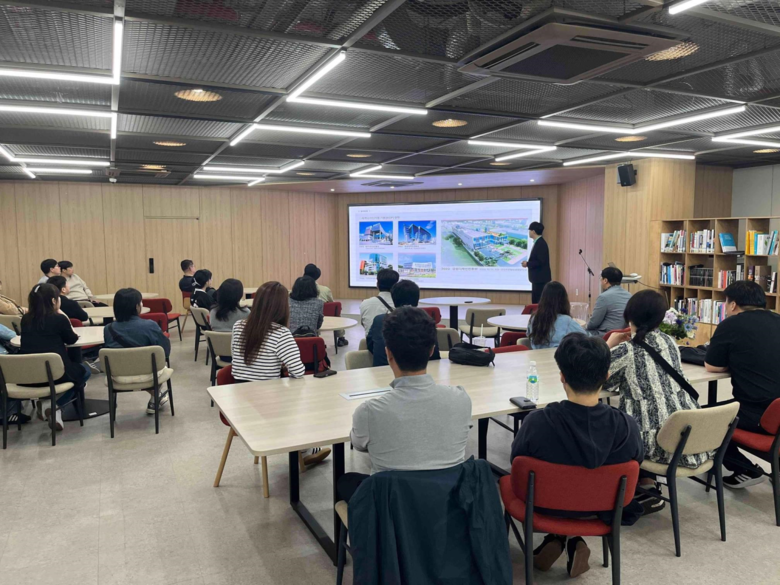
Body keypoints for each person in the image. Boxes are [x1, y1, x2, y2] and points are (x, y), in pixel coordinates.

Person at [511, 333, 643, 578]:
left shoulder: (537, 423)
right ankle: (571, 539)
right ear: (606, 376)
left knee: (508, 481)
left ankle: (558, 538)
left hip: (544, 506)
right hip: (602, 508)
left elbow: (516, 463)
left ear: (562, 376)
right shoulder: (627, 426)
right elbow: (637, 462)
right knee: (583, 485)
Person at [337, 306, 472, 504]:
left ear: (388, 353)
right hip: (447, 505)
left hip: (392, 509)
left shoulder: (369, 411)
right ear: (432, 350)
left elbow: (358, 444)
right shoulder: (461, 399)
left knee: (346, 481)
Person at [604, 290, 707, 496]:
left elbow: (593, 376)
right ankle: (646, 481)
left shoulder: (627, 350)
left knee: (610, 425)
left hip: (658, 445)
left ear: (629, 316)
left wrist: (608, 345)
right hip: (688, 436)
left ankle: (622, 489)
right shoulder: (670, 342)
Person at [705, 280, 780, 488]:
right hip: (776, 411)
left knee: (704, 417)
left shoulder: (731, 324)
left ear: (733, 304)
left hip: (759, 415)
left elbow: (713, 366)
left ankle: (745, 469)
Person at [19, 284, 91, 431]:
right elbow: (72, 339)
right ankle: (55, 405)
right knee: (84, 371)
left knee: (73, 372)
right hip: (56, 374)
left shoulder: (25, 319)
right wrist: (60, 312)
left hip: (29, 376)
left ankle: (52, 408)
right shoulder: (58, 319)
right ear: (53, 300)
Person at [104, 288, 172, 415]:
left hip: (118, 378)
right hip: (148, 376)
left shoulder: (108, 329)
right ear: (136, 306)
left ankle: (156, 397)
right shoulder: (150, 325)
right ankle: (156, 396)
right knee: (160, 365)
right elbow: (165, 352)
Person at [231, 281, 305, 382]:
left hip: (238, 388)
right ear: (283, 307)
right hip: (267, 390)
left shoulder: (238, 325)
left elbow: (236, 357)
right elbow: (298, 371)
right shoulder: (281, 333)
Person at [367, 280, 441, 367]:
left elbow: (370, 344)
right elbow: (434, 354)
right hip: (422, 370)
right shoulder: (426, 320)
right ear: (417, 300)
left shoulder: (379, 320)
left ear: (393, 299)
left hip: (382, 370)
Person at [526, 281, 585, 349]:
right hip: (557, 355)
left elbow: (528, 335)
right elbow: (584, 337)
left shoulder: (534, 318)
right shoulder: (566, 321)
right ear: (564, 300)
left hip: (535, 355)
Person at [305, 263, 347, 347]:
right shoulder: (325, 290)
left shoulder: (298, 290)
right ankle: (341, 338)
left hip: (307, 319)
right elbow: (332, 304)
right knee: (337, 312)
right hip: (325, 316)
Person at [586, 267, 632, 337]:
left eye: (601, 279)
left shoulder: (603, 297)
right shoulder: (629, 295)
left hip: (606, 335)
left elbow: (593, 323)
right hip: (624, 335)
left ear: (605, 280)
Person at [359, 268, 398, 336]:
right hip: (395, 342)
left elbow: (364, 324)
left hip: (372, 342)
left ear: (377, 284)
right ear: (396, 286)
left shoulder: (365, 304)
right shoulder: (401, 304)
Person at [521, 221, 551, 304]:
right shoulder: (538, 242)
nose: (529, 232)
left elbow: (540, 262)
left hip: (540, 279)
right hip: (537, 279)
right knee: (536, 302)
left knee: (538, 302)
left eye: (529, 230)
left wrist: (527, 264)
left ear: (533, 231)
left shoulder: (541, 243)